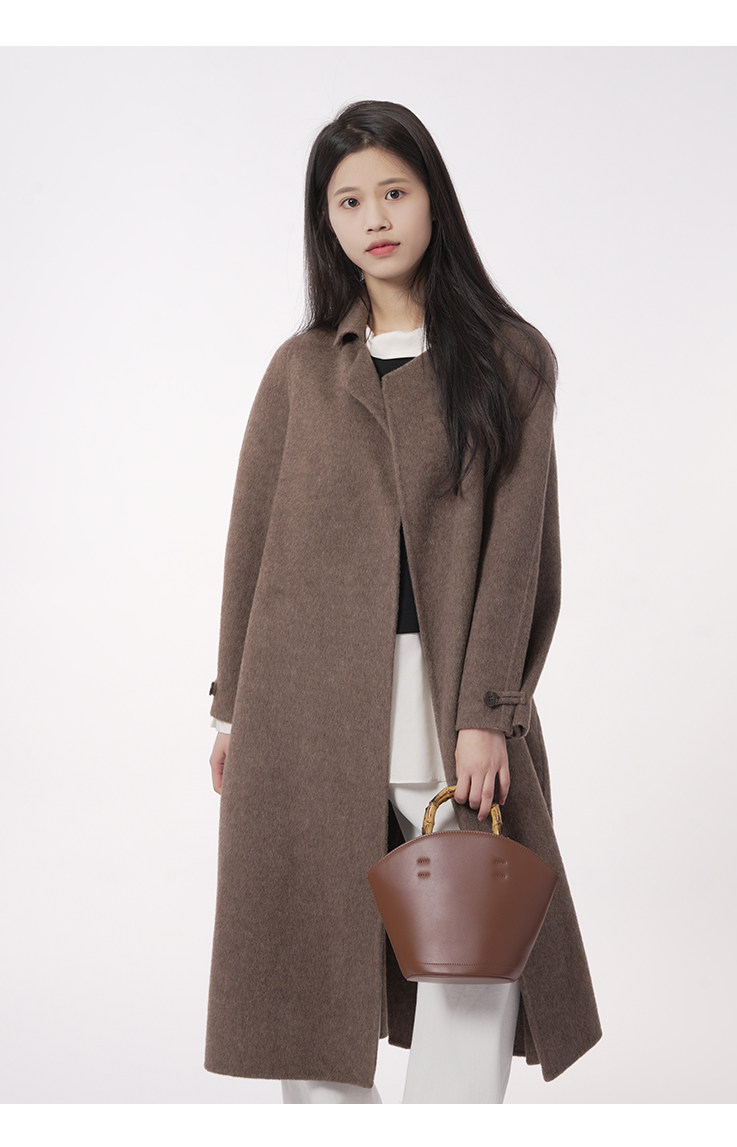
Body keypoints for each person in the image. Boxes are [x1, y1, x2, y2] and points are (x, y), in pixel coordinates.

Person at [204, 100, 602, 1104]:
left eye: (393, 191)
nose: (373, 217)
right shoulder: (301, 372)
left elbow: (520, 560)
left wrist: (488, 714)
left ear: (433, 199)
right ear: (325, 221)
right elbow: (252, 544)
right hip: (302, 712)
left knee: (473, 960)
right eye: (348, 201)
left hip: (447, 706)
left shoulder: (511, 361)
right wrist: (232, 710)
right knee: (299, 982)